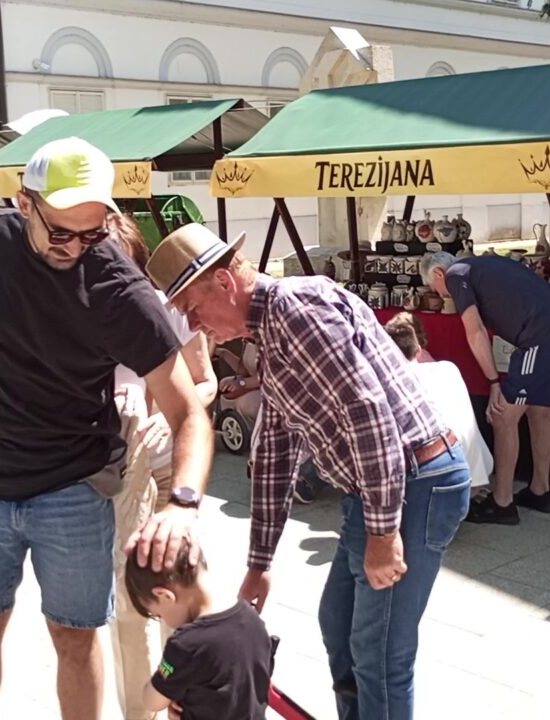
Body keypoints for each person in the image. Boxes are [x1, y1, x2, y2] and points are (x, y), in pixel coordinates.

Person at [0, 137, 213, 720]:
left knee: (74, 638)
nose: (77, 247)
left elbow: (188, 410)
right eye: (62, 232)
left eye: (93, 233)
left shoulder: (118, 289)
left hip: (72, 491)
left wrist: (183, 503)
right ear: (24, 204)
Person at [148, 224, 470, 720]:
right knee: (338, 623)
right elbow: (275, 451)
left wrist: (384, 533)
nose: (193, 326)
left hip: (415, 481)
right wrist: (259, 564)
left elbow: (369, 418)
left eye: (192, 309)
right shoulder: (271, 331)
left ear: (224, 283)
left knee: (379, 653)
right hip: (384, 484)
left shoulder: (297, 313)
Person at [108, 212, 217, 720]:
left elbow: (206, 381)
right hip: (119, 470)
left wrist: (167, 415)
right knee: (129, 602)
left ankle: (182, 703)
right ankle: (139, 712)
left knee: (182, 592)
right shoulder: (81, 311)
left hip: (172, 464)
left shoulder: (164, 307)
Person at [421, 252, 550, 525]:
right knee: (539, 410)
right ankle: (540, 491)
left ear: (439, 273)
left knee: (502, 417)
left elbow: (475, 331)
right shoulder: (484, 263)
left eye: (434, 288)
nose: (441, 295)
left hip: (542, 335)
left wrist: (494, 382)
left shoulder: (456, 275)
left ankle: (502, 502)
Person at [124, 538, 272, 720]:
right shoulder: (252, 619)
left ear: (164, 595)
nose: (165, 621)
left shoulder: (186, 644)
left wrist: (165, 688)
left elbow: (152, 701)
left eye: (159, 614)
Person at [383, 312, 494, 491]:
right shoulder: (449, 369)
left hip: (436, 477)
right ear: (419, 349)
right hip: (475, 473)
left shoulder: (396, 383)